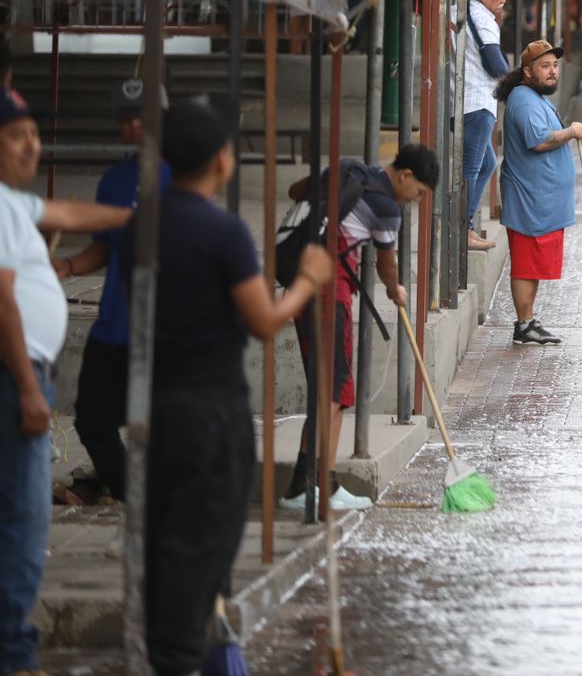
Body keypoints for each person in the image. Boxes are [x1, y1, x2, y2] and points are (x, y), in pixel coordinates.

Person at [138, 99, 333, 676]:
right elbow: (264, 321)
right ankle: (182, 652)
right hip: (211, 410)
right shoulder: (222, 232)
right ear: (222, 161)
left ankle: (184, 644)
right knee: (207, 536)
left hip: (159, 402)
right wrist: (306, 281)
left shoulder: (145, 220)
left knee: (171, 531)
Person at [0, 88, 133, 676]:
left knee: (20, 516)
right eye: (18, 135)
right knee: (26, 523)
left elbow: (71, 216)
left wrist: (139, 214)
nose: (33, 143)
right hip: (17, 378)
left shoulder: (17, 204)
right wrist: (29, 390)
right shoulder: (2, 207)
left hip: (27, 375)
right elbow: (2, 295)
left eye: (35, 132)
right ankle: (15, 655)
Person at [282, 143, 438, 510]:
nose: (413, 200)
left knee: (328, 391)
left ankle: (307, 486)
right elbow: (387, 263)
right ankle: (317, 486)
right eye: (418, 192)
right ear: (405, 176)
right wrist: (394, 288)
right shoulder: (386, 207)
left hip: (303, 288)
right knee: (336, 394)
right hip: (327, 294)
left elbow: (295, 192)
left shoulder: (348, 169)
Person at [52, 82, 170, 502]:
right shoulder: (115, 180)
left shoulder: (179, 177)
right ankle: (131, 496)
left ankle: (153, 503)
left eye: (140, 116)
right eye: (125, 119)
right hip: (112, 327)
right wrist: (67, 265)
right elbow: (104, 245)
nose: (133, 126)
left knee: (155, 422)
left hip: (160, 329)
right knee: (91, 420)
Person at [495, 40, 581, 345]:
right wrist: (571, 132)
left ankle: (528, 321)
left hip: (541, 200)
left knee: (532, 264)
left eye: (555, 66)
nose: (552, 72)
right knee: (525, 262)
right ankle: (524, 323)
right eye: (545, 66)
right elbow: (539, 140)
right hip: (530, 198)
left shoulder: (534, 96)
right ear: (527, 71)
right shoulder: (524, 99)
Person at [463, 0, 510, 252]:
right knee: (471, 167)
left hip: (470, 100)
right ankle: (462, 229)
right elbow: (494, 62)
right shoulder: (482, 17)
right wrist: (513, 81)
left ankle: (464, 225)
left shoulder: (463, 10)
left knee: (487, 163)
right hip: (477, 101)